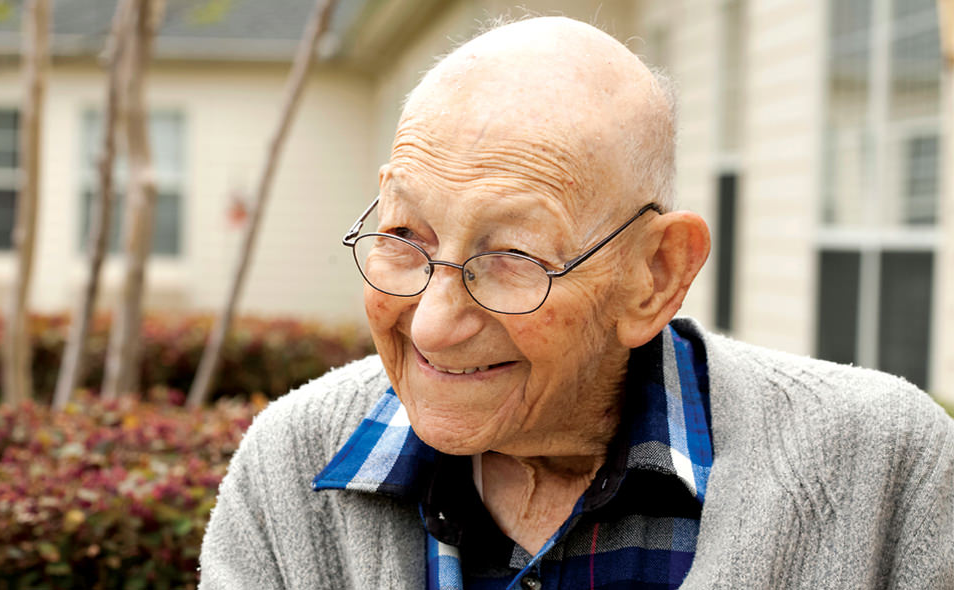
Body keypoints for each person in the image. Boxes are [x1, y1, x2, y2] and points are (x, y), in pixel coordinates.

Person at [199, 16, 954, 590]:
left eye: (512, 258)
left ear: (655, 274)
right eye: (405, 235)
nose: (432, 322)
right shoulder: (290, 466)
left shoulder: (883, 467)